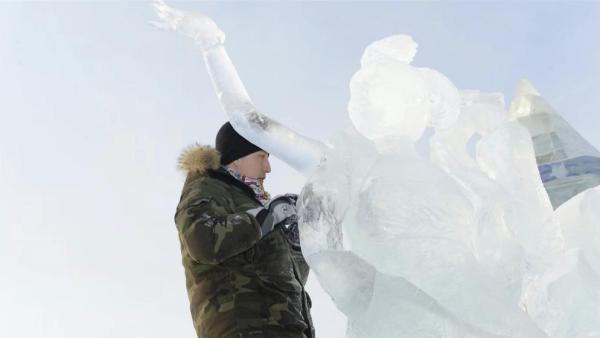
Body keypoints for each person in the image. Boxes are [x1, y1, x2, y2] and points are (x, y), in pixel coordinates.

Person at [174, 122, 314, 338]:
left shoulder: (253, 206)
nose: (268, 168)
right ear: (238, 156)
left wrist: (296, 243)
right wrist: (270, 215)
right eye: (262, 156)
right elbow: (203, 241)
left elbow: (279, 280)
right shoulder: (207, 187)